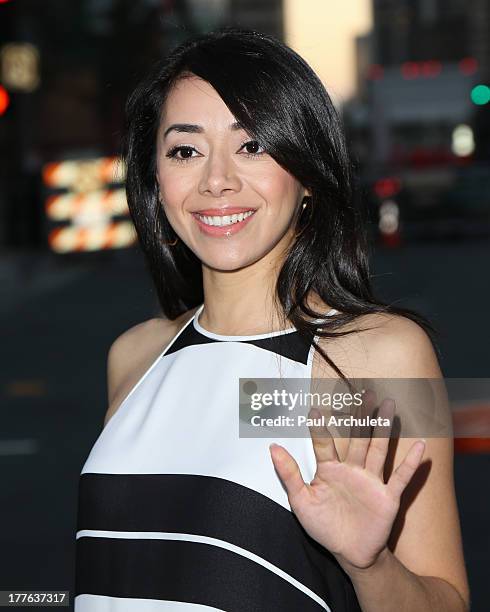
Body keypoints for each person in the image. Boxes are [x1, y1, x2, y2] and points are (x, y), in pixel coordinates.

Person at [74, 27, 469, 612]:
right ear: (155, 180)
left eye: (252, 145)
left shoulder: (382, 356)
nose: (217, 180)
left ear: (308, 172)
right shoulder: (132, 357)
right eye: (186, 150)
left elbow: (446, 600)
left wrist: (371, 565)